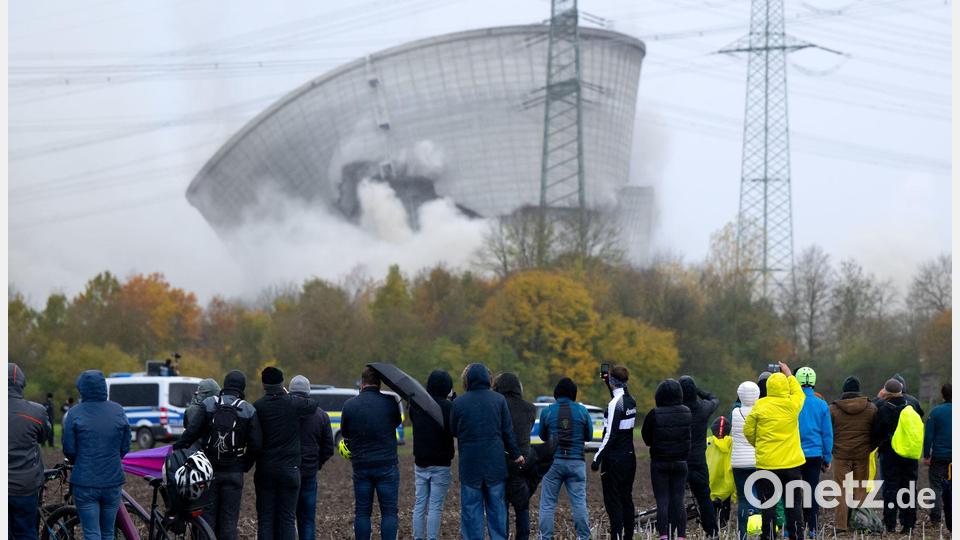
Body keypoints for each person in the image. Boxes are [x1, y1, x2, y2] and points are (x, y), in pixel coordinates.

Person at [175, 370, 261, 540]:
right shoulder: (248, 410)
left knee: (207, 521)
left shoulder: (209, 404)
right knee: (229, 521)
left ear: (225, 384)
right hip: (234, 472)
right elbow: (256, 445)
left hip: (209, 472)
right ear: (242, 387)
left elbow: (192, 432)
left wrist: (178, 447)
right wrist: (245, 464)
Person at [450, 363, 523, 540]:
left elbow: (453, 430)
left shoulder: (459, 403)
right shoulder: (499, 400)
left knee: (471, 511)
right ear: (486, 378)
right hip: (495, 465)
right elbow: (507, 431)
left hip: (470, 466)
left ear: (468, 380)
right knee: (497, 511)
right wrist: (516, 455)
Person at [63, 370, 131, 540]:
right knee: (108, 531)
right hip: (112, 480)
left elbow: (69, 449)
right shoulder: (118, 410)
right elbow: (125, 445)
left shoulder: (74, 413)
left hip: (85, 481)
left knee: (92, 532)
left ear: (82, 389)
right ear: (103, 387)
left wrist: (79, 461)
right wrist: (113, 458)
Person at [253, 367, 319, 540]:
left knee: (266, 519)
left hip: (265, 469)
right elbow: (313, 404)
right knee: (287, 518)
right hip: (290, 469)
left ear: (264, 385)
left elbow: (255, 439)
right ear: (282, 384)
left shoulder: (258, 407)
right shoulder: (292, 403)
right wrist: (287, 393)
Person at [743, 361, 806, 540]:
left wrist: (759, 445)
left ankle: (769, 536)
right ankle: (796, 536)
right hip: (792, 464)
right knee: (793, 505)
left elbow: (748, 430)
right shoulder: (792, 405)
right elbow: (799, 393)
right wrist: (789, 375)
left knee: (768, 504)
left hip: (767, 463)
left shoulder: (760, 406)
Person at [340, 366, 403, 540]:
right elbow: (396, 422)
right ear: (379, 383)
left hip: (361, 465)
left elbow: (345, 432)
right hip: (386, 464)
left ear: (362, 383)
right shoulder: (390, 403)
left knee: (362, 512)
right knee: (389, 511)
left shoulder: (350, 405)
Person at [537, 378, 594, 540]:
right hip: (576, 462)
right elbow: (589, 436)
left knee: (548, 503)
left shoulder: (547, 411)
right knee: (579, 503)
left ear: (556, 393)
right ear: (574, 394)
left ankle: (545, 537)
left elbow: (542, 436)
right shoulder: (582, 411)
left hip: (553, 463)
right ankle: (583, 537)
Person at [641, 378, 692, 540]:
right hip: (681, 462)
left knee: (663, 501)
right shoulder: (686, 412)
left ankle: (664, 535)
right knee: (678, 500)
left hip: (660, 463)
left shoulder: (654, 414)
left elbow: (646, 438)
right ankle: (681, 536)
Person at [873, 378, 924, 533]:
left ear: (886, 392)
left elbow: (876, 432)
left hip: (890, 454)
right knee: (909, 487)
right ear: (901, 391)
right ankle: (908, 524)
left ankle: (890, 524)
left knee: (890, 488)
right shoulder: (912, 405)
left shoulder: (882, 408)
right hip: (909, 453)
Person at [592, 366, 638, 540]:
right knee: (627, 498)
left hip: (614, 460)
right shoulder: (631, 400)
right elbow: (620, 398)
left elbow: (610, 434)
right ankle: (628, 536)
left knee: (613, 501)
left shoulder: (614, 404)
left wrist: (597, 458)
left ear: (613, 381)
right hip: (629, 457)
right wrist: (608, 383)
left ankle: (616, 536)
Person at [828, 376, 878, 532]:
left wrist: (833, 449)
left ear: (844, 390)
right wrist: (870, 447)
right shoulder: (871, 408)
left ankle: (841, 525)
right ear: (858, 391)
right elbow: (876, 431)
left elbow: (829, 432)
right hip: (862, 454)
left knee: (840, 490)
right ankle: (860, 523)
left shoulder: (833, 409)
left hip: (841, 454)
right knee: (860, 489)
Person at [9, 363, 53, 540]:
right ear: (21, 384)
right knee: (26, 532)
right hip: (25, 487)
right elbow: (44, 437)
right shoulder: (37, 411)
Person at [411, 370, 455, 540]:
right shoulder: (448, 407)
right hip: (441, 463)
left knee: (420, 503)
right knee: (435, 506)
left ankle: (417, 537)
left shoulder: (417, 405)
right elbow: (453, 429)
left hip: (420, 461)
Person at [492, 372, 537, 540]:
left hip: (501, 461)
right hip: (523, 462)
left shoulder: (497, 405)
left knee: (501, 505)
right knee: (522, 506)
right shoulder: (530, 408)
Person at [289, 375, 334, 540]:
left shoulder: (283, 413)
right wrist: (317, 464)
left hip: (288, 470)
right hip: (309, 472)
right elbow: (328, 448)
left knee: (287, 518)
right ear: (308, 391)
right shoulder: (321, 415)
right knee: (307, 519)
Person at [679, 375, 721, 537]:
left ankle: (675, 532)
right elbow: (714, 398)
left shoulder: (677, 410)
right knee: (704, 498)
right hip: (698, 461)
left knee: (675, 499)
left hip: (680, 460)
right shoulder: (703, 409)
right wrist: (698, 391)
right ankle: (712, 532)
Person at [795, 367, 833, 536]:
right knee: (812, 490)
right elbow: (827, 433)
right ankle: (813, 529)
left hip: (794, 454)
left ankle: (793, 529)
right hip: (814, 454)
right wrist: (827, 456)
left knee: (793, 491)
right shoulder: (821, 404)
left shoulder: (792, 402)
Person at [731, 381, 760, 540]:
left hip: (739, 463)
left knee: (743, 498)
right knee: (758, 497)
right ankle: (756, 531)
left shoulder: (735, 413)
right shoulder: (761, 412)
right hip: (758, 461)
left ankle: (742, 533)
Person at [924, 383, 951, 526]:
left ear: (942, 395)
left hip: (939, 457)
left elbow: (928, 436)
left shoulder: (935, 412)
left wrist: (926, 455)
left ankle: (935, 518)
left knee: (936, 487)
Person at [706, 416, 734, 528]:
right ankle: (722, 524)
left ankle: (711, 527)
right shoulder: (731, 443)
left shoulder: (707, 442)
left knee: (709, 507)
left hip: (710, 482)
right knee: (725, 506)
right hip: (726, 484)